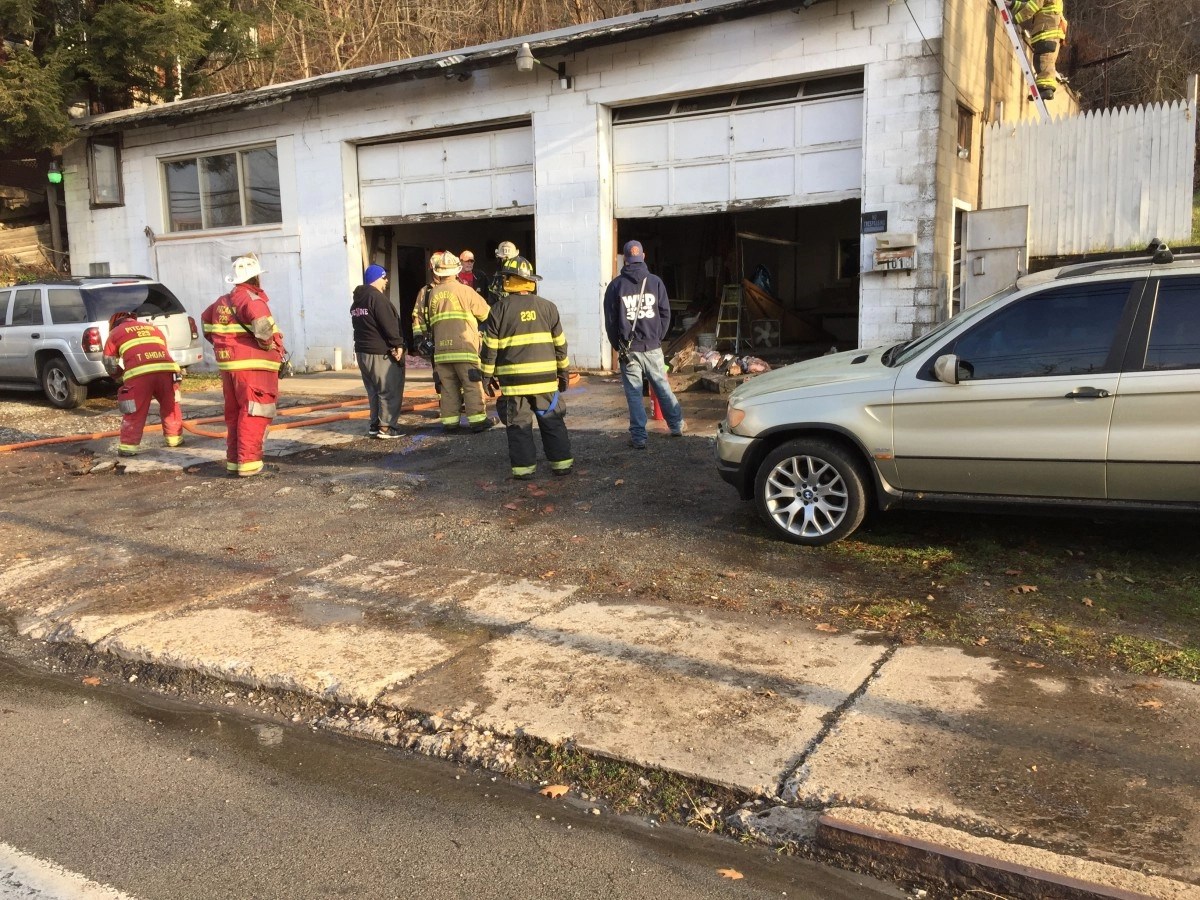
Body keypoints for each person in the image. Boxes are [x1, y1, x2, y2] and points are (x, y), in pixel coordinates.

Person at [479, 257, 572, 479]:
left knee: (519, 425)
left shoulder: (498, 310)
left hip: (514, 384)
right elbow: (561, 345)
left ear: (509, 281)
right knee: (552, 422)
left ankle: (524, 470)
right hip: (546, 382)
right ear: (529, 281)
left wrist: (486, 376)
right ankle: (562, 465)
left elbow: (490, 348)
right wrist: (564, 372)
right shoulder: (548, 307)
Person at [201, 253, 286, 478]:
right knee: (256, 411)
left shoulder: (221, 302)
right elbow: (263, 331)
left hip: (230, 366)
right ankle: (249, 463)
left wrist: (223, 346)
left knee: (236, 413)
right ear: (256, 277)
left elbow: (206, 323)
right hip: (254, 368)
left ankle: (234, 461)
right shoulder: (252, 300)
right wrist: (269, 347)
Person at [602, 239, 686, 450]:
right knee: (662, 386)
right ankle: (676, 426)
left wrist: (617, 346)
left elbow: (610, 322)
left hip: (628, 350)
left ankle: (639, 437)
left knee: (633, 393)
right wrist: (657, 337)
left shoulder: (615, 286)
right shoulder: (655, 282)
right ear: (643, 256)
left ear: (625, 259)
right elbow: (666, 313)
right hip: (652, 347)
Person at [420, 250, 493, 433]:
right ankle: (477, 421)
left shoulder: (431, 294)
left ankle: (450, 423)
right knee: (471, 384)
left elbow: (425, 321)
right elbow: (486, 313)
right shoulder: (465, 291)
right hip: (464, 348)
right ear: (456, 270)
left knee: (448, 387)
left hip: (441, 352)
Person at [102, 311, 184, 457]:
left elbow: (109, 362)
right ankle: (174, 439)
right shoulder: (152, 328)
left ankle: (128, 447)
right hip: (167, 371)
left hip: (139, 375)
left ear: (114, 323)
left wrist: (119, 375)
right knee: (170, 406)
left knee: (135, 411)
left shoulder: (115, 333)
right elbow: (162, 349)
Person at [351, 264, 406, 439]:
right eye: (384, 278)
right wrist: (398, 344)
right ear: (376, 279)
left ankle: (375, 425)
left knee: (374, 391)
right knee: (388, 389)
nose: (386, 281)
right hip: (380, 353)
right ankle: (387, 427)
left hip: (362, 353)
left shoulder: (357, 301)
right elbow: (388, 325)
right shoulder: (378, 299)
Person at [1011, 0, 1066, 100]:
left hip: (1048, 34)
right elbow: (1032, 5)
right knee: (1040, 61)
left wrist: (1015, 19)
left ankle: (1046, 90)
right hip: (1048, 34)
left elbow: (1032, 7)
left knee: (1045, 61)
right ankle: (1042, 90)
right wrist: (1012, 4)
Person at [486, 240, 521, 306]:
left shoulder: (522, 276)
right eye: (503, 259)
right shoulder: (495, 278)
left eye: (509, 260)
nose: (506, 262)